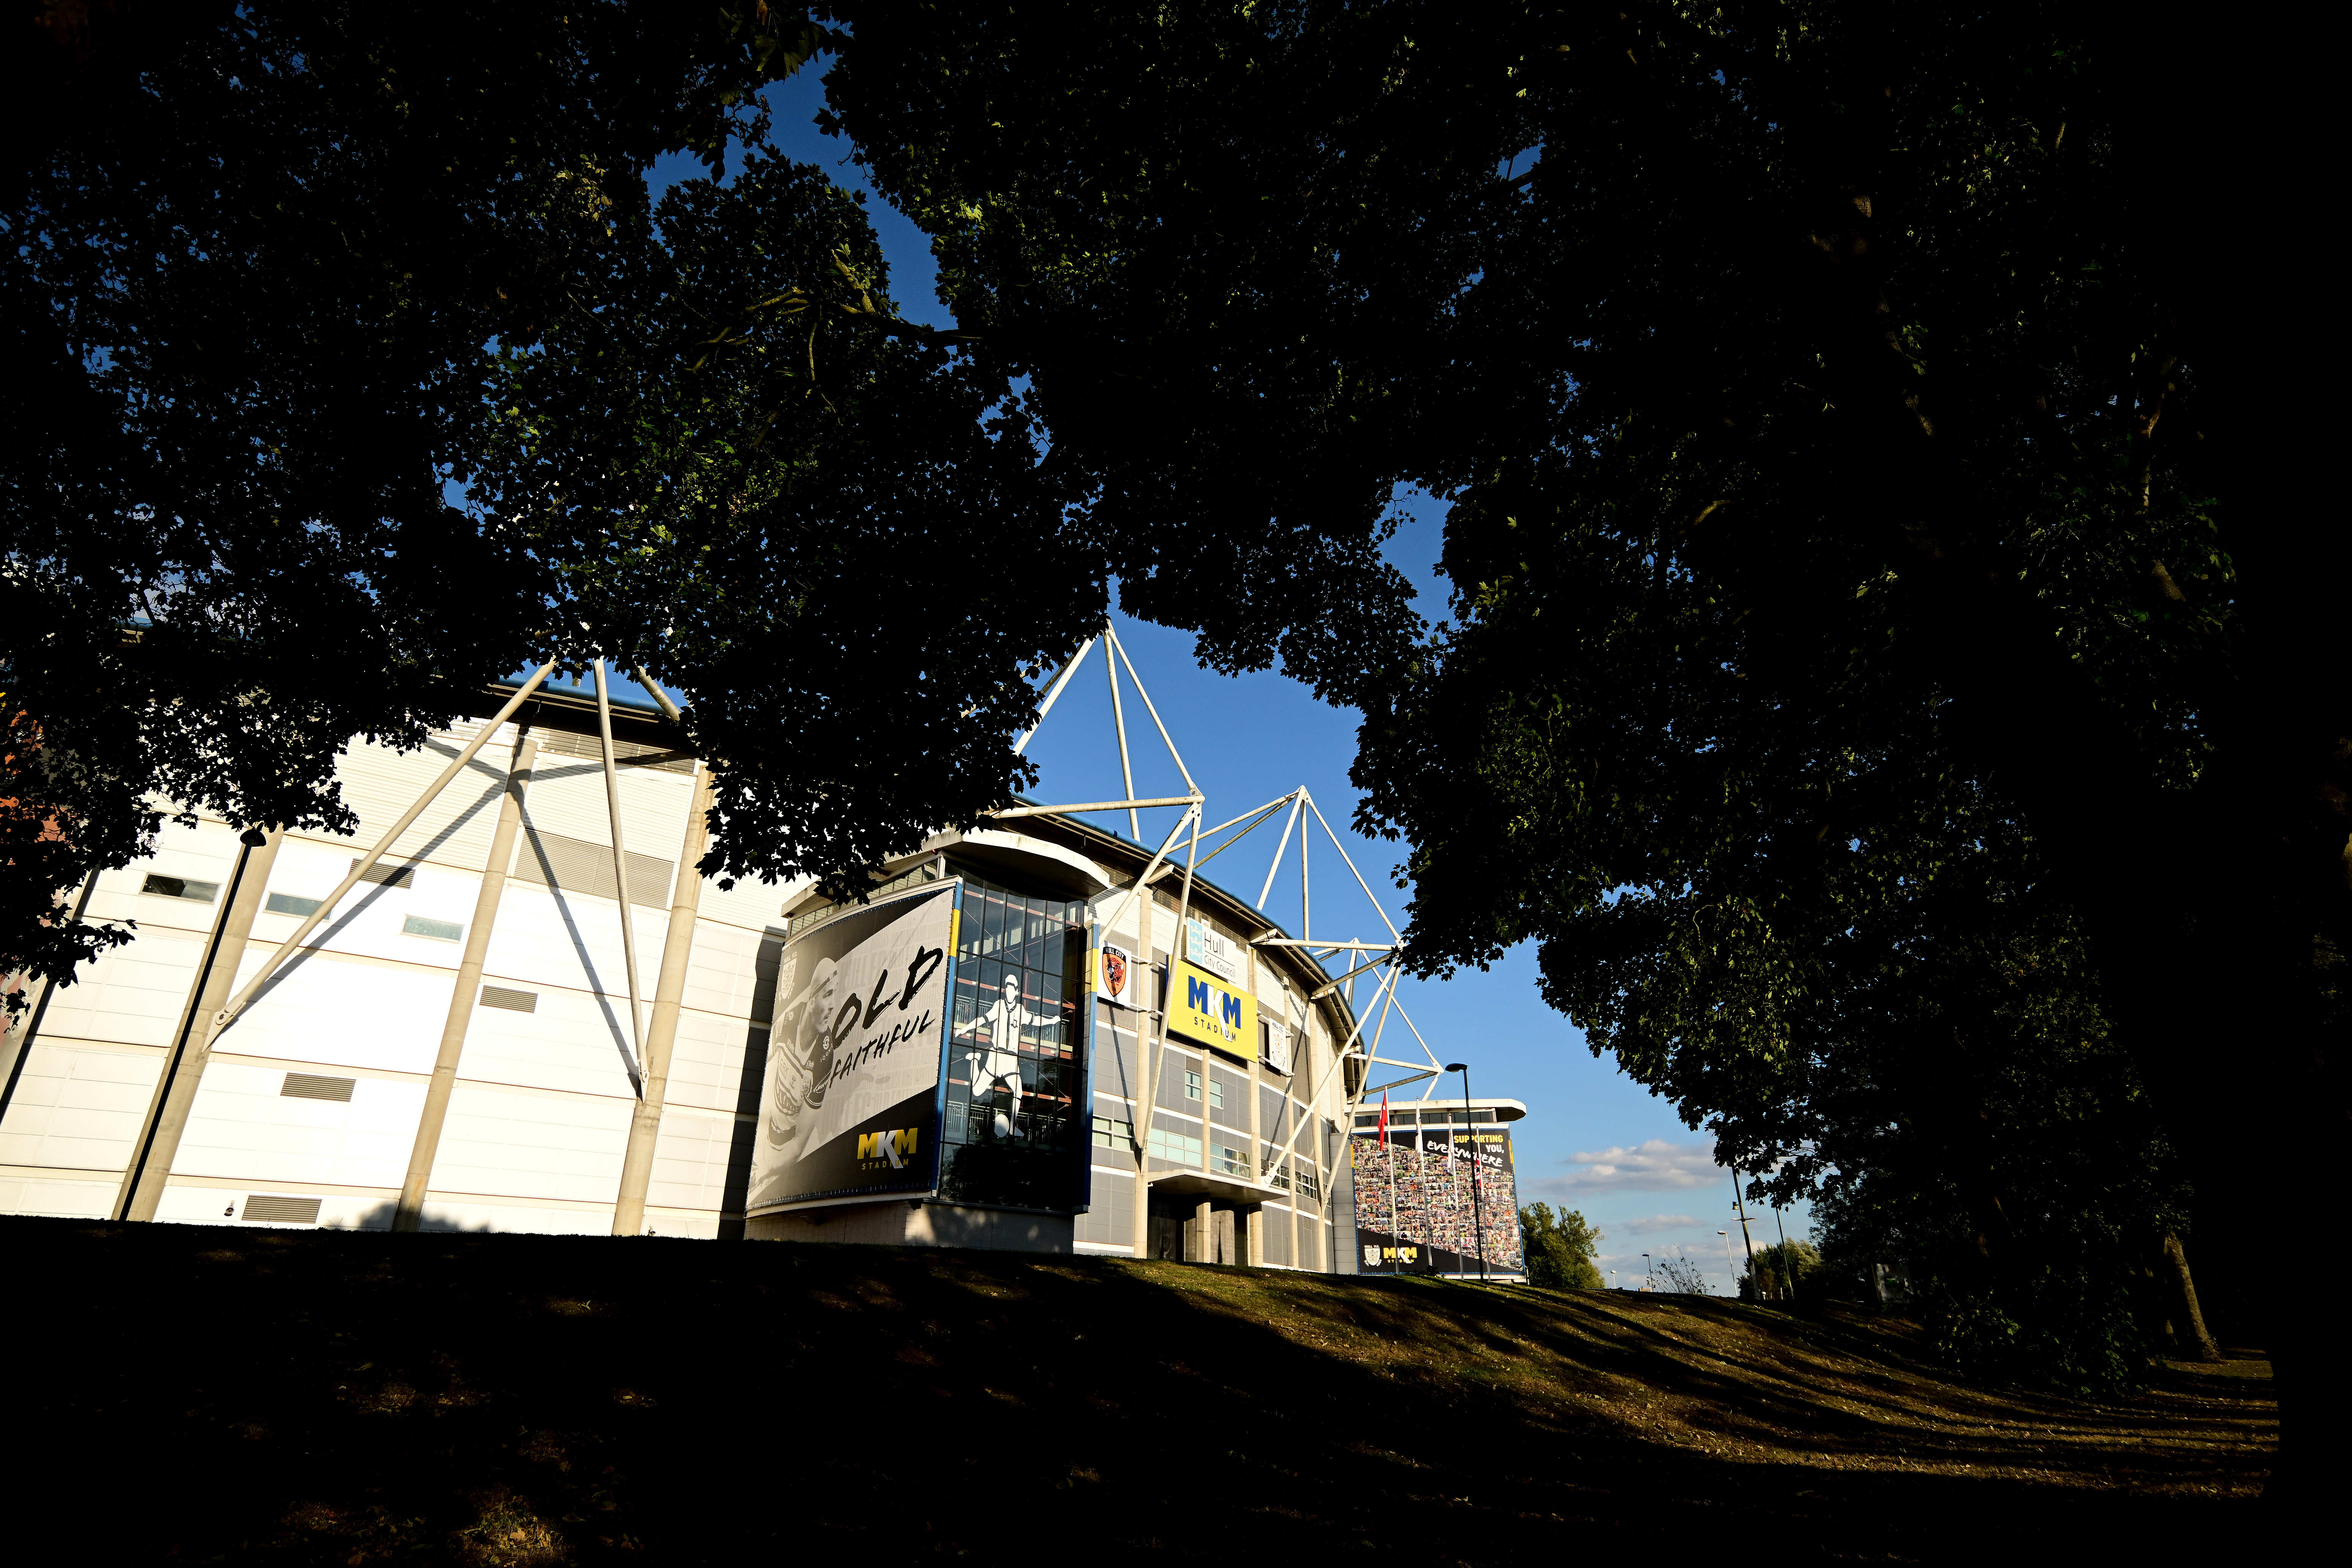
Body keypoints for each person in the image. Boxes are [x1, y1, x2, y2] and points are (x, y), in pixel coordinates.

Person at [966, 973, 1052, 1137]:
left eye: (1012, 988)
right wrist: (965, 1029)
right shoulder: (998, 1005)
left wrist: (1051, 1021)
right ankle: (975, 1060)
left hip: (1011, 1059)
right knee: (977, 1092)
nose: (1009, 991)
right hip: (996, 1056)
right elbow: (983, 1020)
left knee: (1018, 1091)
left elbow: (1036, 1020)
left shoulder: (1020, 1010)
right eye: (1007, 988)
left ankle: (1012, 1125)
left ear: (1017, 991)